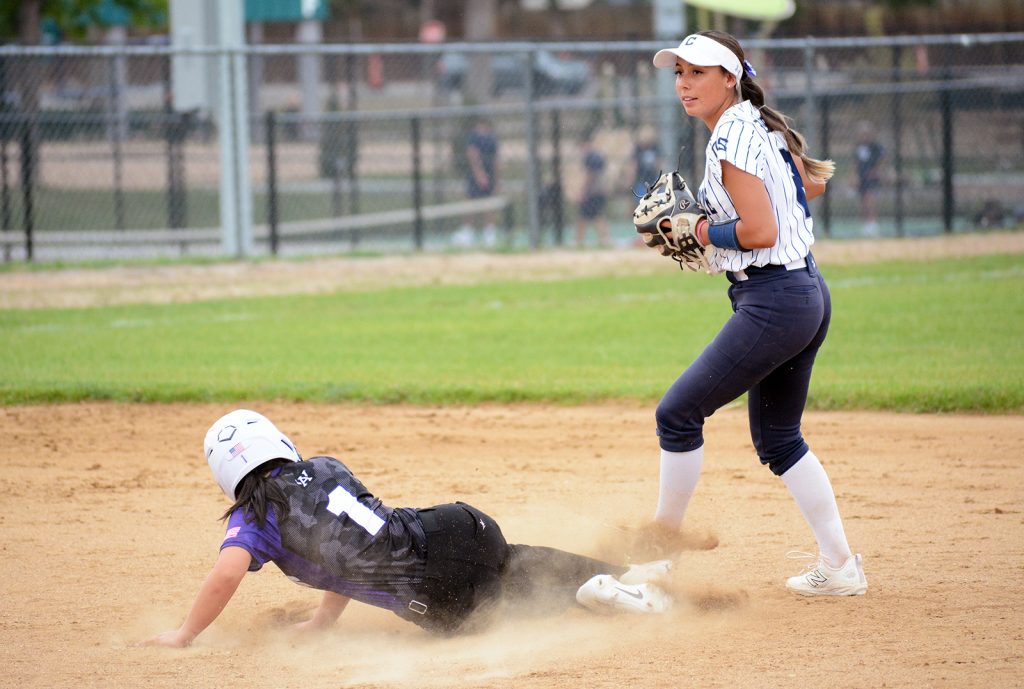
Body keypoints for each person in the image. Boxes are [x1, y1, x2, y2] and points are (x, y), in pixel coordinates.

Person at [143, 410, 673, 648]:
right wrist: (323, 622)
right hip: (456, 525)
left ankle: (596, 593)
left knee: (499, 609)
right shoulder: (325, 466)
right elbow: (345, 546)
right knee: (509, 558)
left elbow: (227, 574)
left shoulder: (253, 517)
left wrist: (186, 633)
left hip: (433, 592)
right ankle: (622, 573)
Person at [645, 31, 867, 596]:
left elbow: (761, 230)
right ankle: (840, 567)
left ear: (729, 77)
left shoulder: (730, 140)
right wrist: (725, 227)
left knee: (677, 414)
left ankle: (656, 562)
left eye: (698, 73)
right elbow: (807, 186)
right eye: (679, 73)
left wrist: (701, 230)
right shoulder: (756, 124)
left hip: (774, 300)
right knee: (779, 439)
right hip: (804, 292)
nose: (684, 84)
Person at [454, 117, 500, 248]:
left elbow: (495, 160)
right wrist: (479, 173)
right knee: (471, 202)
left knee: (488, 204)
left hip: (487, 175)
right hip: (477, 176)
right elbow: (473, 154)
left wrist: (495, 180)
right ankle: (468, 233)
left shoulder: (491, 138)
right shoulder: (475, 137)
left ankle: (489, 234)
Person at [575, 132, 612, 248]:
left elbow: (589, 176)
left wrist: (583, 191)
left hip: (592, 192)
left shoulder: (590, 157)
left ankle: (579, 241)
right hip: (600, 190)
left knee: (583, 217)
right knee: (598, 216)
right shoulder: (598, 155)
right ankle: (604, 240)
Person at [853, 121, 884, 236]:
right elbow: (855, 163)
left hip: (872, 179)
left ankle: (873, 223)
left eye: (866, 134)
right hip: (862, 179)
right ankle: (866, 224)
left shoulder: (876, 147)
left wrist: (877, 171)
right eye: (862, 134)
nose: (864, 136)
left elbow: (882, 159)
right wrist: (854, 176)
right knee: (863, 202)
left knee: (869, 200)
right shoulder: (859, 147)